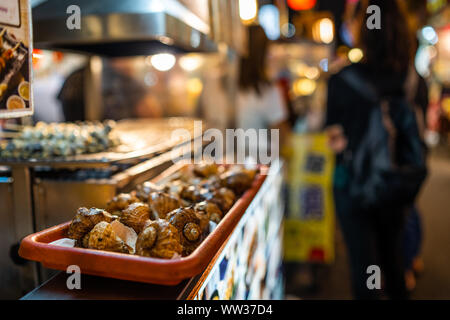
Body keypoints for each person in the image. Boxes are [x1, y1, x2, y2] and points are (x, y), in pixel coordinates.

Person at [325, 0, 424, 299]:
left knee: (364, 266)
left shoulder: (342, 80)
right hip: (397, 184)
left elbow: (334, 140)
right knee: (392, 257)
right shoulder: (413, 80)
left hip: (354, 187)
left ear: (363, 30)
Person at [236, 25, 290, 161]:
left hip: (228, 160)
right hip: (260, 164)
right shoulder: (266, 90)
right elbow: (282, 133)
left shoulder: (226, 85)